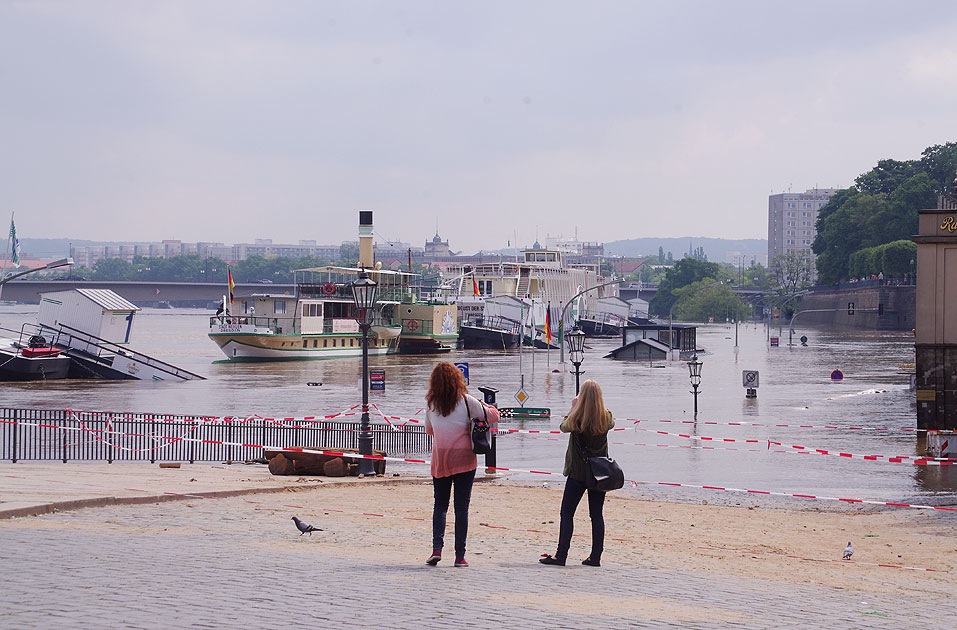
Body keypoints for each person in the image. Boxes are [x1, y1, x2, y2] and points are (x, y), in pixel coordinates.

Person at [424, 362, 499, 568]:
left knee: (440, 505)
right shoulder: (467, 401)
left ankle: (437, 549)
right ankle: (460, 556)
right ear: (458, 379)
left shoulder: (431, 403)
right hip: (465, 458)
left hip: (441, 459)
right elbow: (494, 416)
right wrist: (485, 405)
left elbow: (429, 431)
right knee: (461, 508)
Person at [540, 379, 614, 567]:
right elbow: (611, 424)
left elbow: (563, 427)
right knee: (596, 515)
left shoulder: (577, 418)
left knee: (567, 513)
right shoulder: (606, 417)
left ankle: (561, 555)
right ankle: (595, 556)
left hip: (578, 473)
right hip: (599, 474)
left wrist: (573, 407)